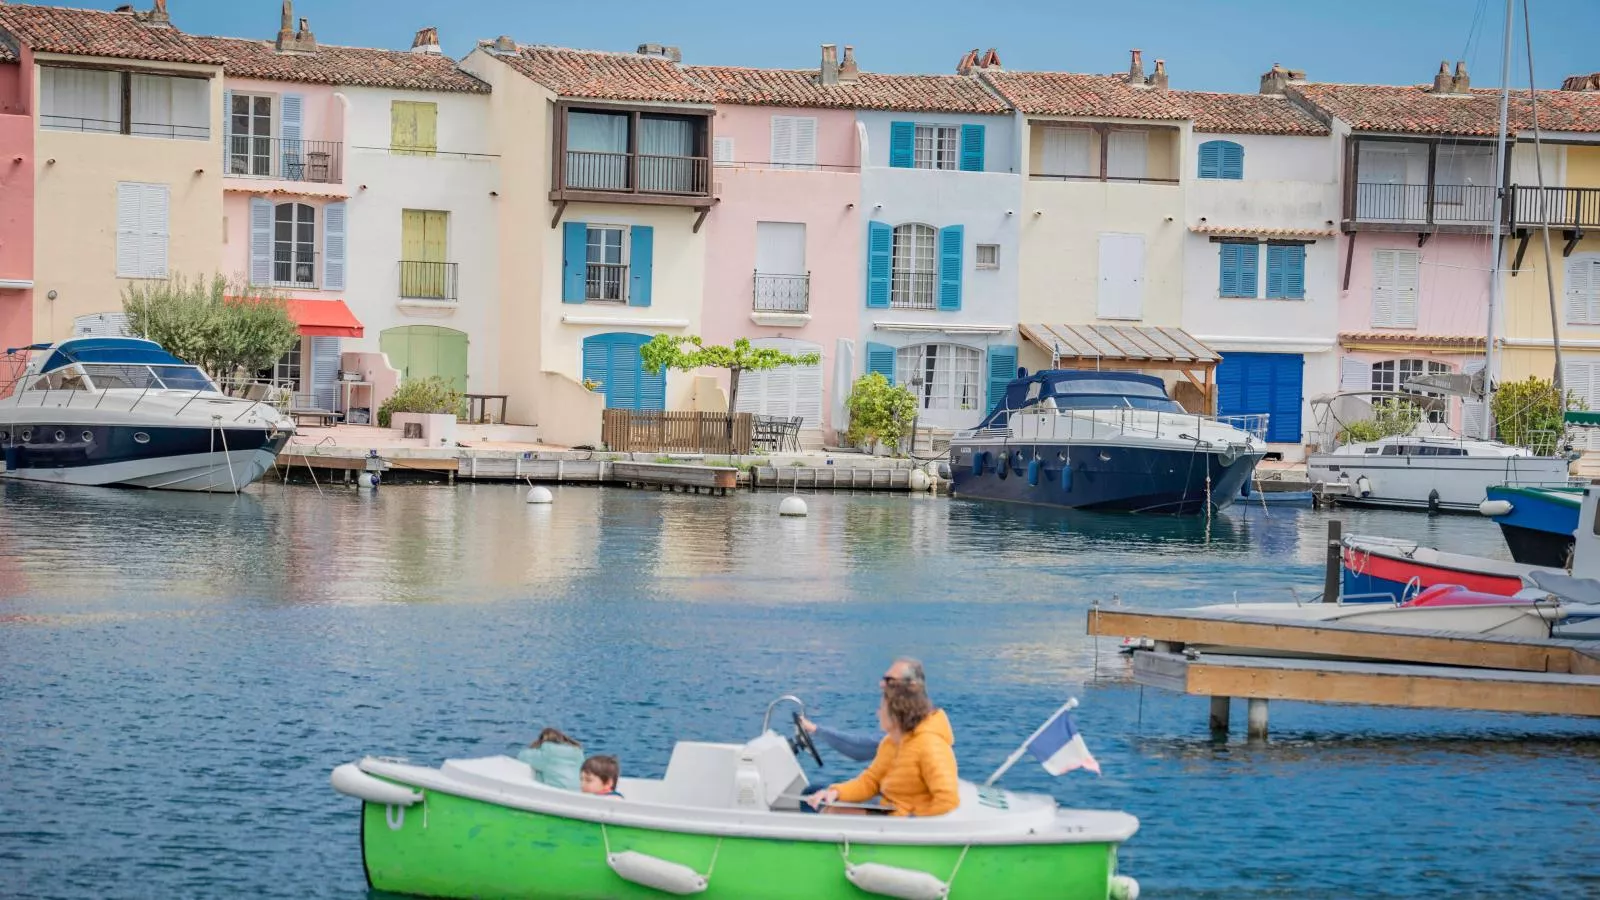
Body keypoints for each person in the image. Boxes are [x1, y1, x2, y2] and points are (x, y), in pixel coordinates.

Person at [808, 681, 958, 817]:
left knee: (834, 813)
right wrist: (835, 792)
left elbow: (947, 799)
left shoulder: (930, 746)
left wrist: (903, 818)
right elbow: (871, 782)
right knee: (820, 799)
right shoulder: (891, 742)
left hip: (903, 820)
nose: (878, 713)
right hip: (888, 806)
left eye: (882, 708)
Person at [797, 657, 932, 762]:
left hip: (896, 797)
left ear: (912, 685)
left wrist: (815, 730)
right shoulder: (913, 721)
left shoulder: (911, 734)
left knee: (810, 792)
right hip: (891, 793)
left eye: (889, 680)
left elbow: (859, 748)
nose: (881, 684)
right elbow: (870, 778)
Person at [516, 727, 584, 791]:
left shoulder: (547, 753)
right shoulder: (578, 753)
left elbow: (522, 756)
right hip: (579, 793)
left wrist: (535, 747)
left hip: (558, 795)